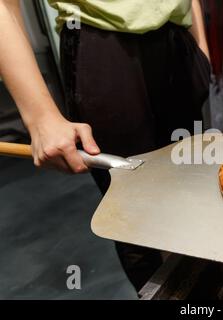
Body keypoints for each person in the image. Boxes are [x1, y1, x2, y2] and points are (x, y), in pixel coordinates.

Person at [0, 0, 211, 293]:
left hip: (178, 43)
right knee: (136, 218)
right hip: (104, 43)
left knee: (194, 195)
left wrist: (201, 47)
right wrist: (40, 118)